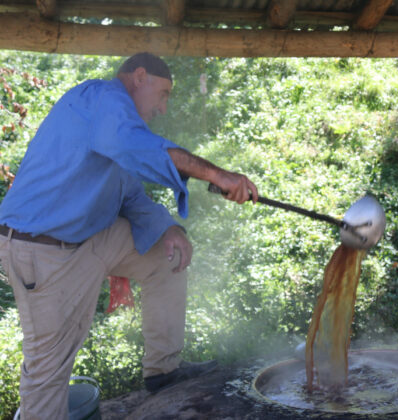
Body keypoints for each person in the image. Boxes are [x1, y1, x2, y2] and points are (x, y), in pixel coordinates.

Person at [0, 52, 258, 419]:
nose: (164, 107)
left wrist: (170, 228)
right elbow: (139, 148)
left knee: (168, 254)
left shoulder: (115, 125)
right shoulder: (102, 98)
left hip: (86, 239)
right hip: (41, 250)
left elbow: (131, 195)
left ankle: (163, 372)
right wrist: (217, 175)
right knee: (48, 369)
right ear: (140, 76)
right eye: (164, 93)